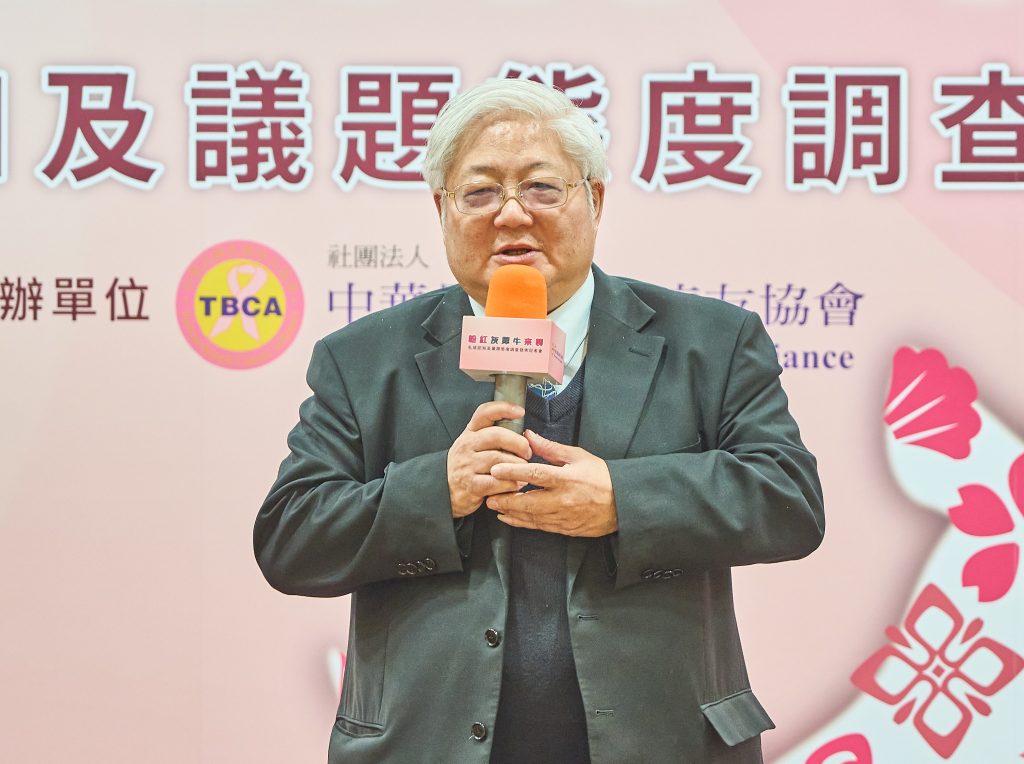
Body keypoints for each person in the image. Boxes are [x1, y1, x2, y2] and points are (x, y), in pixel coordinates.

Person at [254, 78, 824, 764]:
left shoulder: (711, 341)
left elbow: (788, 498)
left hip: (663, 741)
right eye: (480, 192)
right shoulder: (363, 359)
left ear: (595, 199)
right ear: (441, 208)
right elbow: (291, 537)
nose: (512, 214)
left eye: (542, 188)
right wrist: (438, 490)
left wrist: (622, 500)